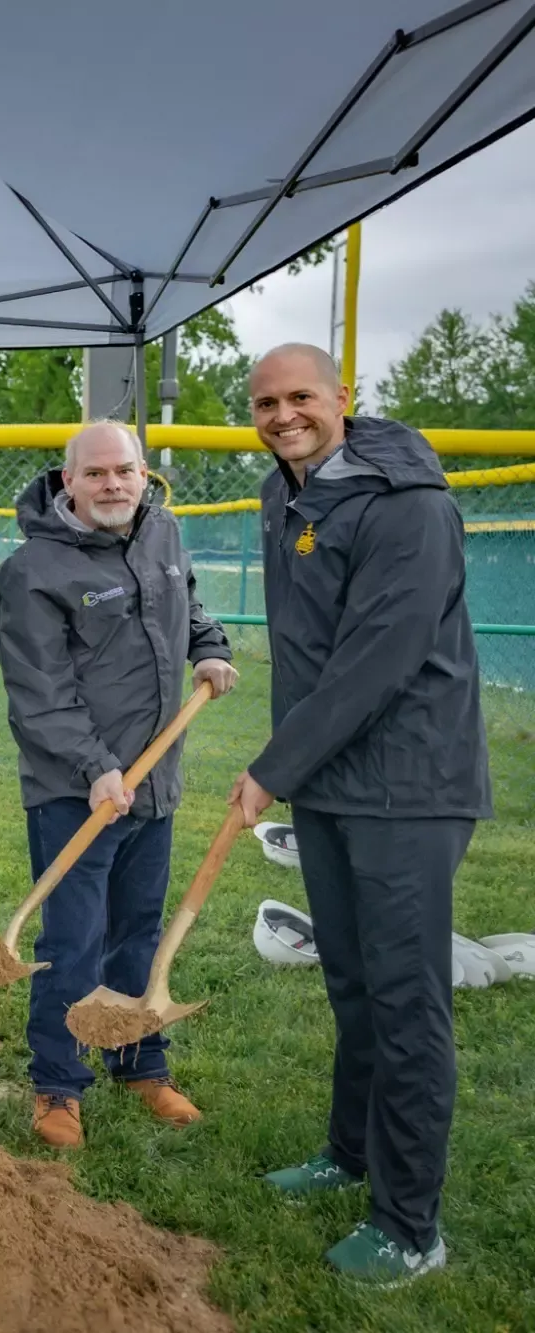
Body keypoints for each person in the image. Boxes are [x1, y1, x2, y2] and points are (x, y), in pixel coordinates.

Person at [234, 343, 490, 1286]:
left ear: (344, 397)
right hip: (334, 783)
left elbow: (378, 658)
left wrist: (271, 766)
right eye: (265, 401)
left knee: (406, 998)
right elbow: (307, 658)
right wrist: (295, 767)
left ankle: (410, 1224)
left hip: (410, 785)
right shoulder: (282, 494)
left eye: (301, 396)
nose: (283, 414)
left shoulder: (410, 505)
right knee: (351, 981)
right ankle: (351, 1152)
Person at [0, 420, 236, 1148]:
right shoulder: (32, 571)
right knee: (74, 939)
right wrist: (96, 767)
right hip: (76, 792)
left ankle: (137, 1061)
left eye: (124, 470)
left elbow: (190, 609)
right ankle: (57, 1084)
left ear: (142, 472)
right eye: (95, 473)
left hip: (153, 785)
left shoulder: (163, 534)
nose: (112, 485)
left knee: (136, 930)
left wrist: (212, 649)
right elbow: (38, 694)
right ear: (68, 481)